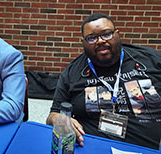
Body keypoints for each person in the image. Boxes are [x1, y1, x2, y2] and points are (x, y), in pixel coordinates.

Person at [46, 13, 161, 149]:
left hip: (147, 147)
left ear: (117, 34)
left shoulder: (152, 60)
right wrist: (58, 119)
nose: (100, 41)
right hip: (91, 146)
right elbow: (53, 115)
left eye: (106, 34)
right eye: (91, 38)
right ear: (83, 41)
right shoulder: (71, 73)